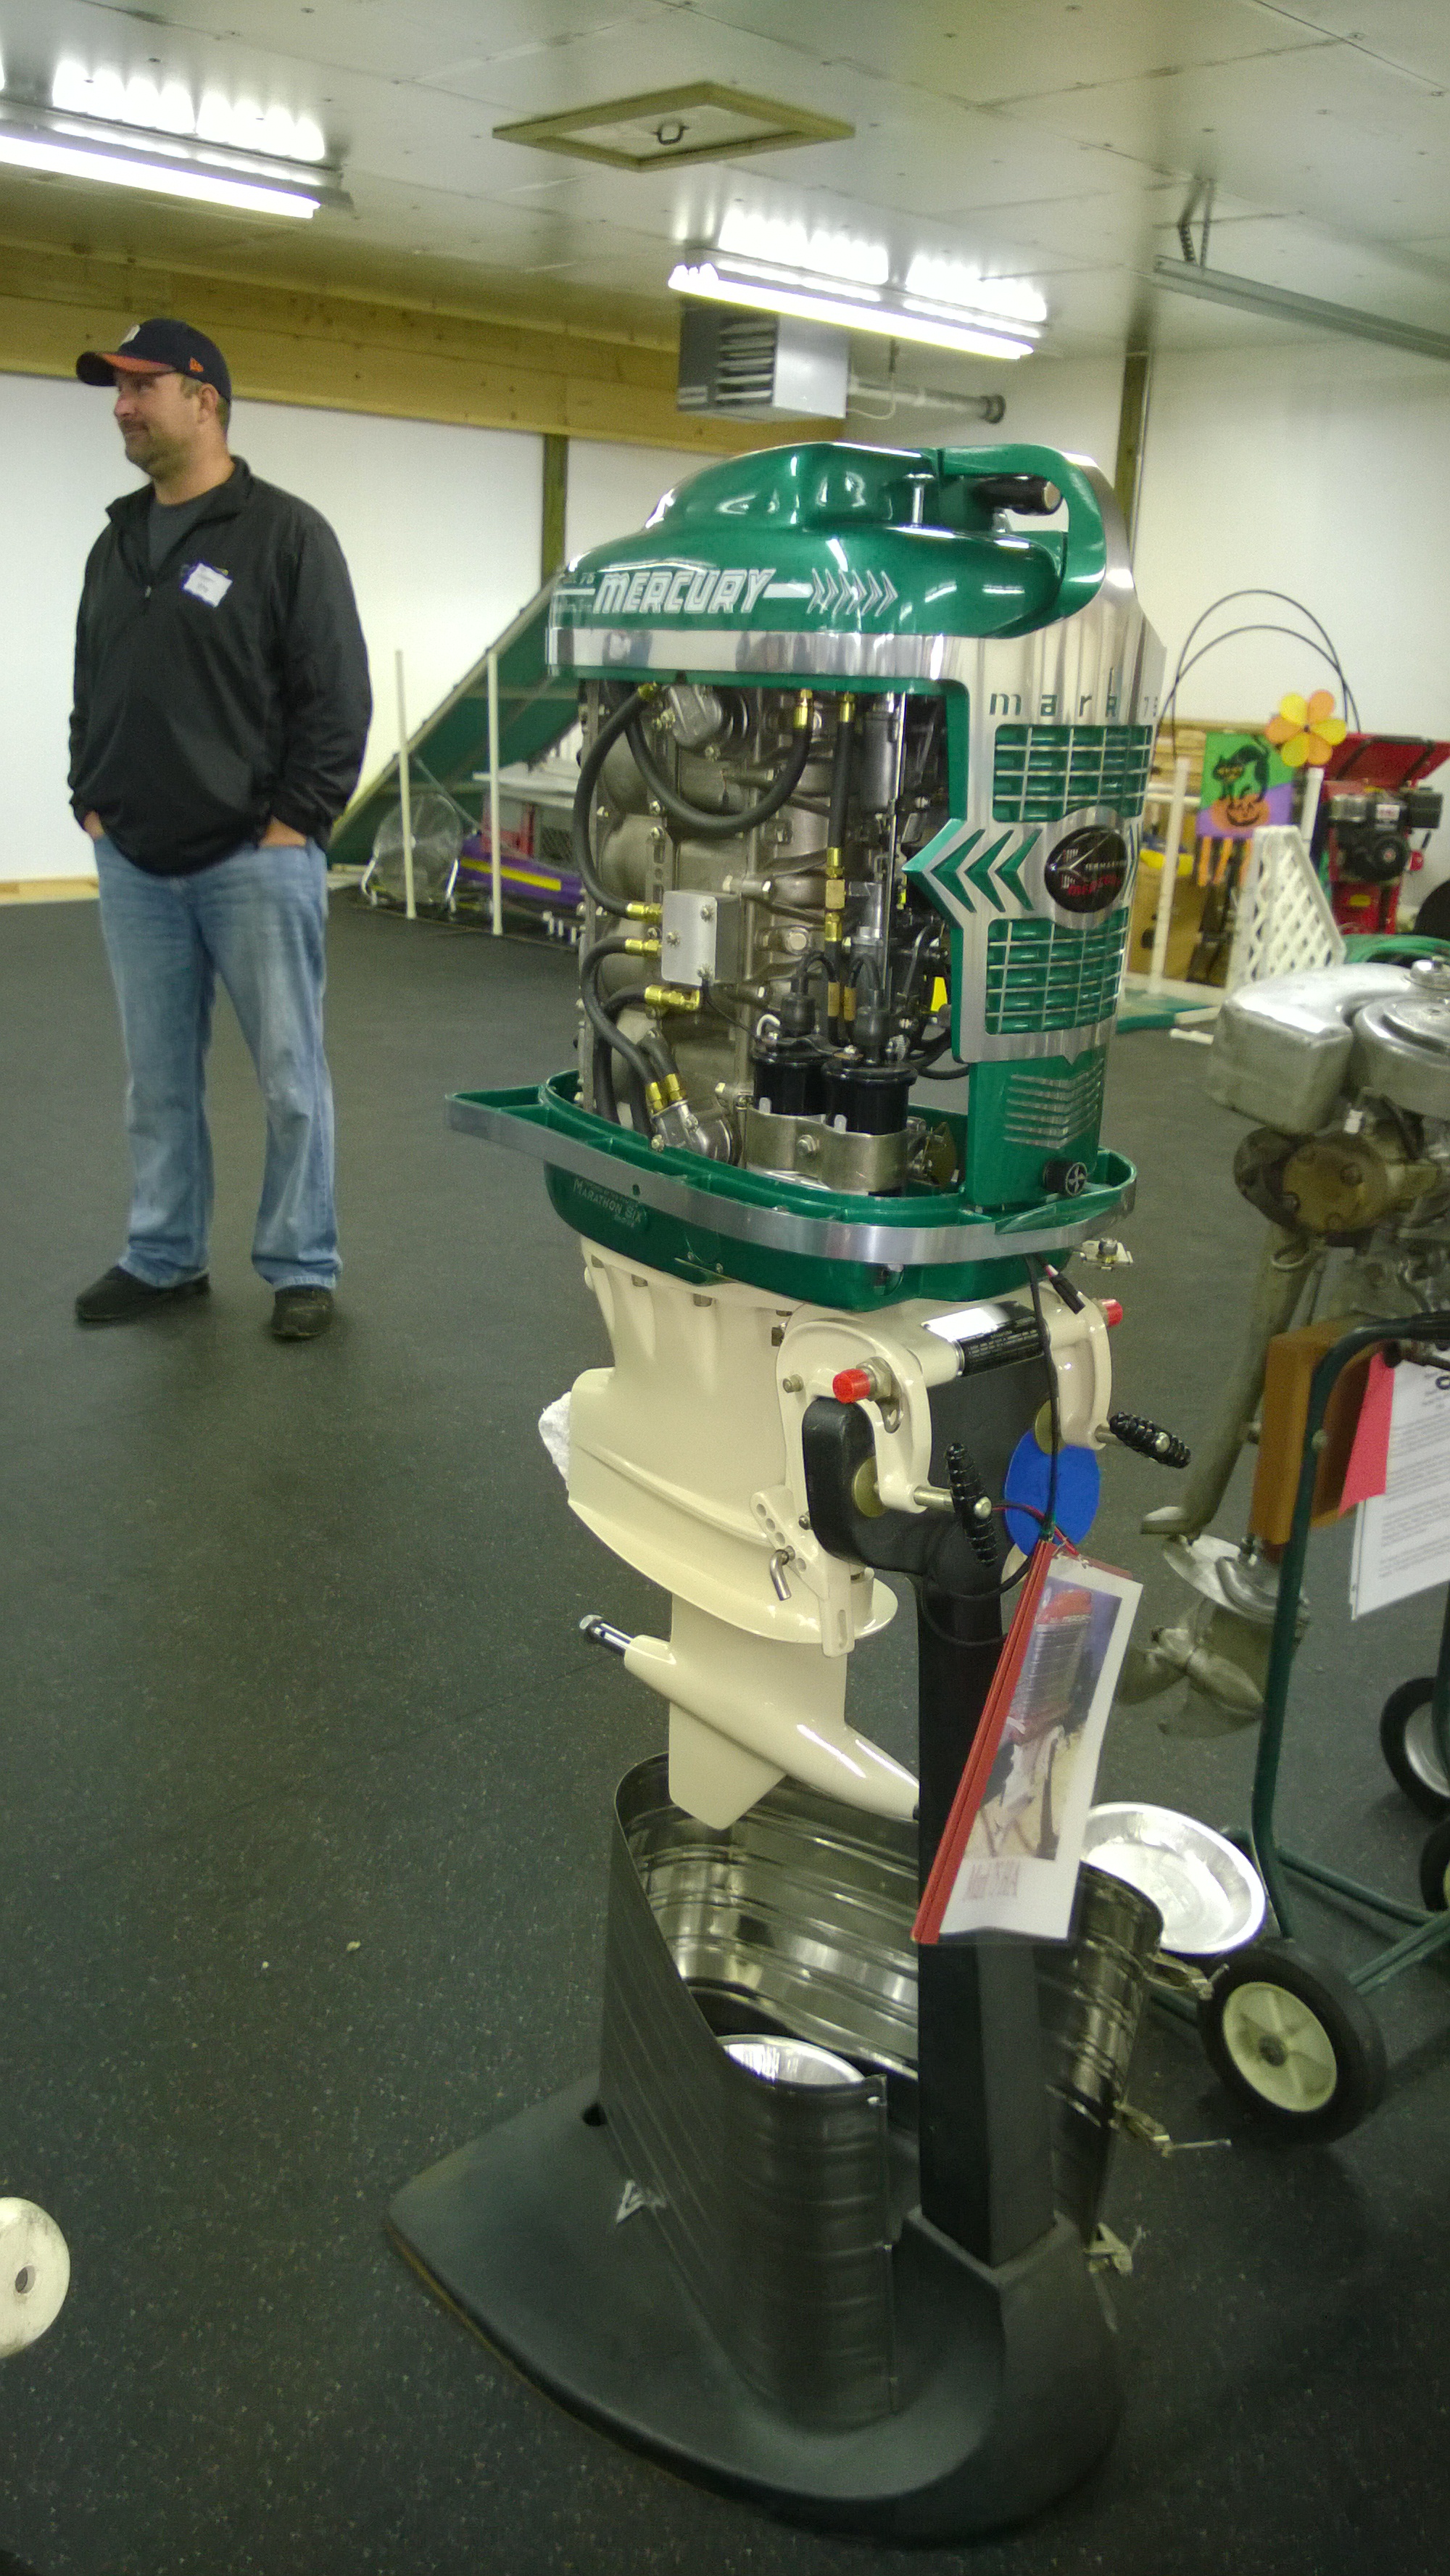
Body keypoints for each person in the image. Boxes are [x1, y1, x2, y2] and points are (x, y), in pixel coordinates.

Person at [69, 317, 372, 1342]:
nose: (122, 408)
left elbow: (336, 696)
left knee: (290, 1080)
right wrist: (88, 795)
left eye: (139, 388)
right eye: (117, 392)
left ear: (204, 399)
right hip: (135, 860)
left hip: (255, 860)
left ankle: (301, 1265)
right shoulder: (117, 541)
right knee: (155, 1085)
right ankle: (163, 1257)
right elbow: (94, 681)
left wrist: (296, 824)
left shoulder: (285, 535)